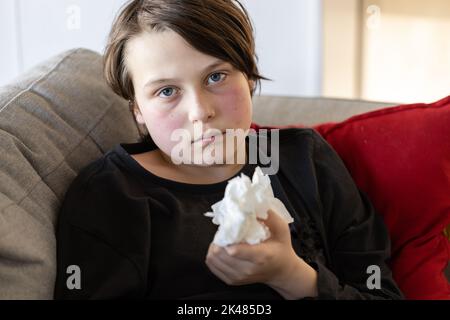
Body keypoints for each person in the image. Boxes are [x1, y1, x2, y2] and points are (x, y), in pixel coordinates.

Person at [54, 0, 404, 300]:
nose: (200, 111)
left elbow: (379, 289)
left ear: (248, 76)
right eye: (166, 92)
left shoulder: (305, 161)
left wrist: (292, 276)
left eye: (216, 77)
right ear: (137, 111)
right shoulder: (110, 197)